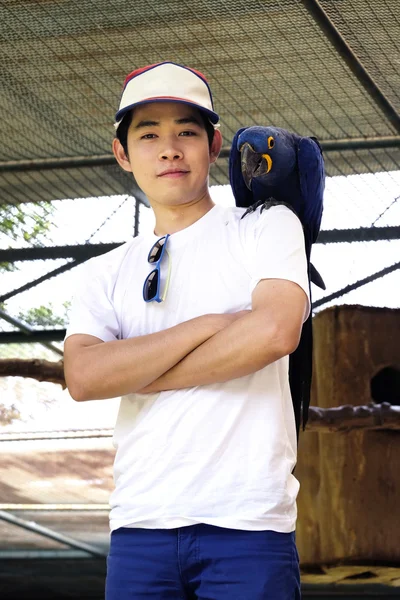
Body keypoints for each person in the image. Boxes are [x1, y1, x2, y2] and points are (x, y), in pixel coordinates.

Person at [64, 61, 310, 600]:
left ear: (215, 144)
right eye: (148, 135)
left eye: (186, 132)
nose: (169, 148)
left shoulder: (265, 225)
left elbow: (274, 332)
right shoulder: (104, 272)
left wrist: (140, 372)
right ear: (123, 155)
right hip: (139, 525)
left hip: (248, 523)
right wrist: (209, 325)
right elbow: (83, 376)